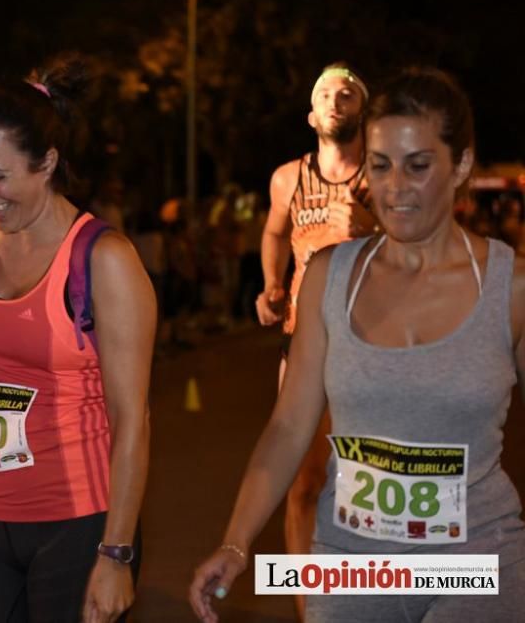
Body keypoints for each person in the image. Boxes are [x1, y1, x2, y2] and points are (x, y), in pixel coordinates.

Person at [190, 68, 525, 622]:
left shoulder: (510, 289)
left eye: (418, 166)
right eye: (380, 165)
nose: (395, 188)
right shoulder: (328, 276)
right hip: (349, 562)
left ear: (460, 164)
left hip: (476, 561)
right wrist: (235, 543)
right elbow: (290, 425)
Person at [0, 56, 156, 623]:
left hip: (78, 523)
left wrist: (116, 552)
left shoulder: (104, 260)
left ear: (47, 163)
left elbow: (132, 417)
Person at [254, 63, 377, 614]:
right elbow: (275, 229)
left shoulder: (383, 175)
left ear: (363, 112)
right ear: (311, 114)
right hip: (303, 343)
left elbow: (427, 245)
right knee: (301, 481)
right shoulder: (288, 178)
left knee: (369, 481)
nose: (336, 98)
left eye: (348, 92)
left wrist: (373, 228)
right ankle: (311, 607)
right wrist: (271, 283)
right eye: (326, 92)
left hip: (373, 344)